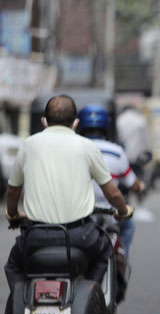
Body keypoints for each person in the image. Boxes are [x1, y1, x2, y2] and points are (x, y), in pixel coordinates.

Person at [4, 95, 133, 291]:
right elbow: (113, 194)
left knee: (13, 265)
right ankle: (88, 294)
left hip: (35, 236)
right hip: (80, 236)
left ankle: (22, 306)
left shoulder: (28, 145)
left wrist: (13, 215)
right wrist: (123, 211)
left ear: (44, 121)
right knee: (106, 252)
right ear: (75, 123)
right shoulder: (87, 147)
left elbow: (13, 191)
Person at [77, 104, 145, 256]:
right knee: (128, 227)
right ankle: (121, 265)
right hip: (109, 211)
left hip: (78, 212)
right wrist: (140, 187)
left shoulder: (72, 149)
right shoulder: (116, 151)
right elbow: (130, 183)